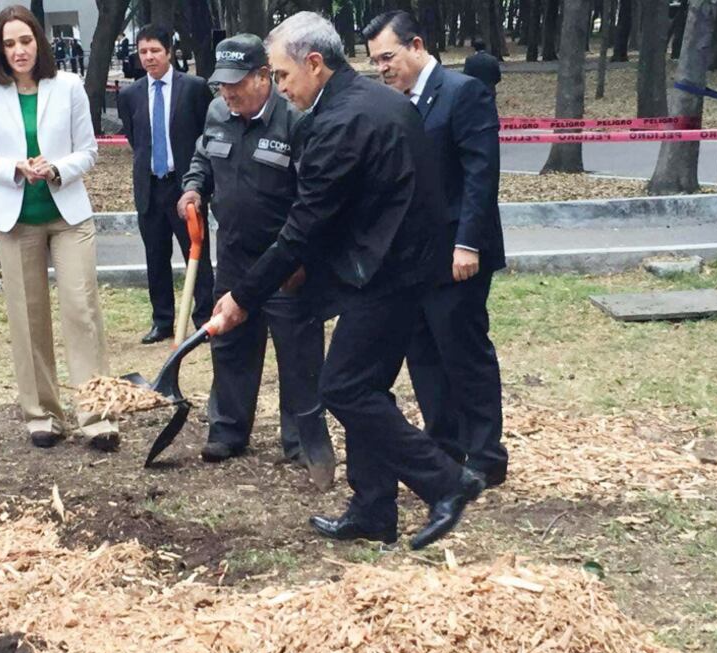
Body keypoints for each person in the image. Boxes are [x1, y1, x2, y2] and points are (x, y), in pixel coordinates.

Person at [209, 12, 484, 550]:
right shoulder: (375, 101)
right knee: (367, 386)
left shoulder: (340, 124)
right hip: (401, 264)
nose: (282, 90)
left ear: (315, 64)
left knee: (344, 388)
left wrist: (242, 298)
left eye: (284, 76)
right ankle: (373, 508)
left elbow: (302, 229)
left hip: (386, 275)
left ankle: (447, 481)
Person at [364, 11, 507, 490]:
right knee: (422, 353)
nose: (382, 68)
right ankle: (445, 447)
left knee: (463, 352)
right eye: (374, 62)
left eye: (388, 57)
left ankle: (487, 454)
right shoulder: (394, 102)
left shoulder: (463, 94)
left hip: (457, 254)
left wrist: (467, 244)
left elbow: (480, 176)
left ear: (417, 45)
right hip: (413, 258)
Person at [178, 34, 328, 465]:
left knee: (297, 352)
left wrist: (302, 258)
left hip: (284, 259)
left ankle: (301, 440)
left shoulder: (295, 117)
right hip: (235, 253)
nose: (228, 93)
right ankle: (227, 429)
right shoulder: (217, 111)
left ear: (264, 77)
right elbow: (203, 159)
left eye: (237, 83)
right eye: (222, 85)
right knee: (230, 343)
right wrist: (192, 189)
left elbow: (313, 194)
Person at [0, 5, 117, 450]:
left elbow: (89, 151)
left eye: (25, 40)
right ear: (0, 51)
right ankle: (42, 415)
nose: (19, 50)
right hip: (15, 219)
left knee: (81, 311)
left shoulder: (69, 86)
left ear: (39, 42)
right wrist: (14, 168)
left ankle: (96, 414)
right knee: (27, 318)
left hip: (68, 216)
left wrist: (56, 168)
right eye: (9, 43)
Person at [118, 24, 215, 344]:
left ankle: (203, 317)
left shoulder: (194, 88)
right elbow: (135, 139)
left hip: (185, 186)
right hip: (150, 186)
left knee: (195, 254)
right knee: (155, 256)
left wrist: (200, 184)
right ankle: (162, 321)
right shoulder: (130, 94)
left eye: (155, 51)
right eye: (143, 52)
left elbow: (206, 137)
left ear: (169, 52)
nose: (148, 58)